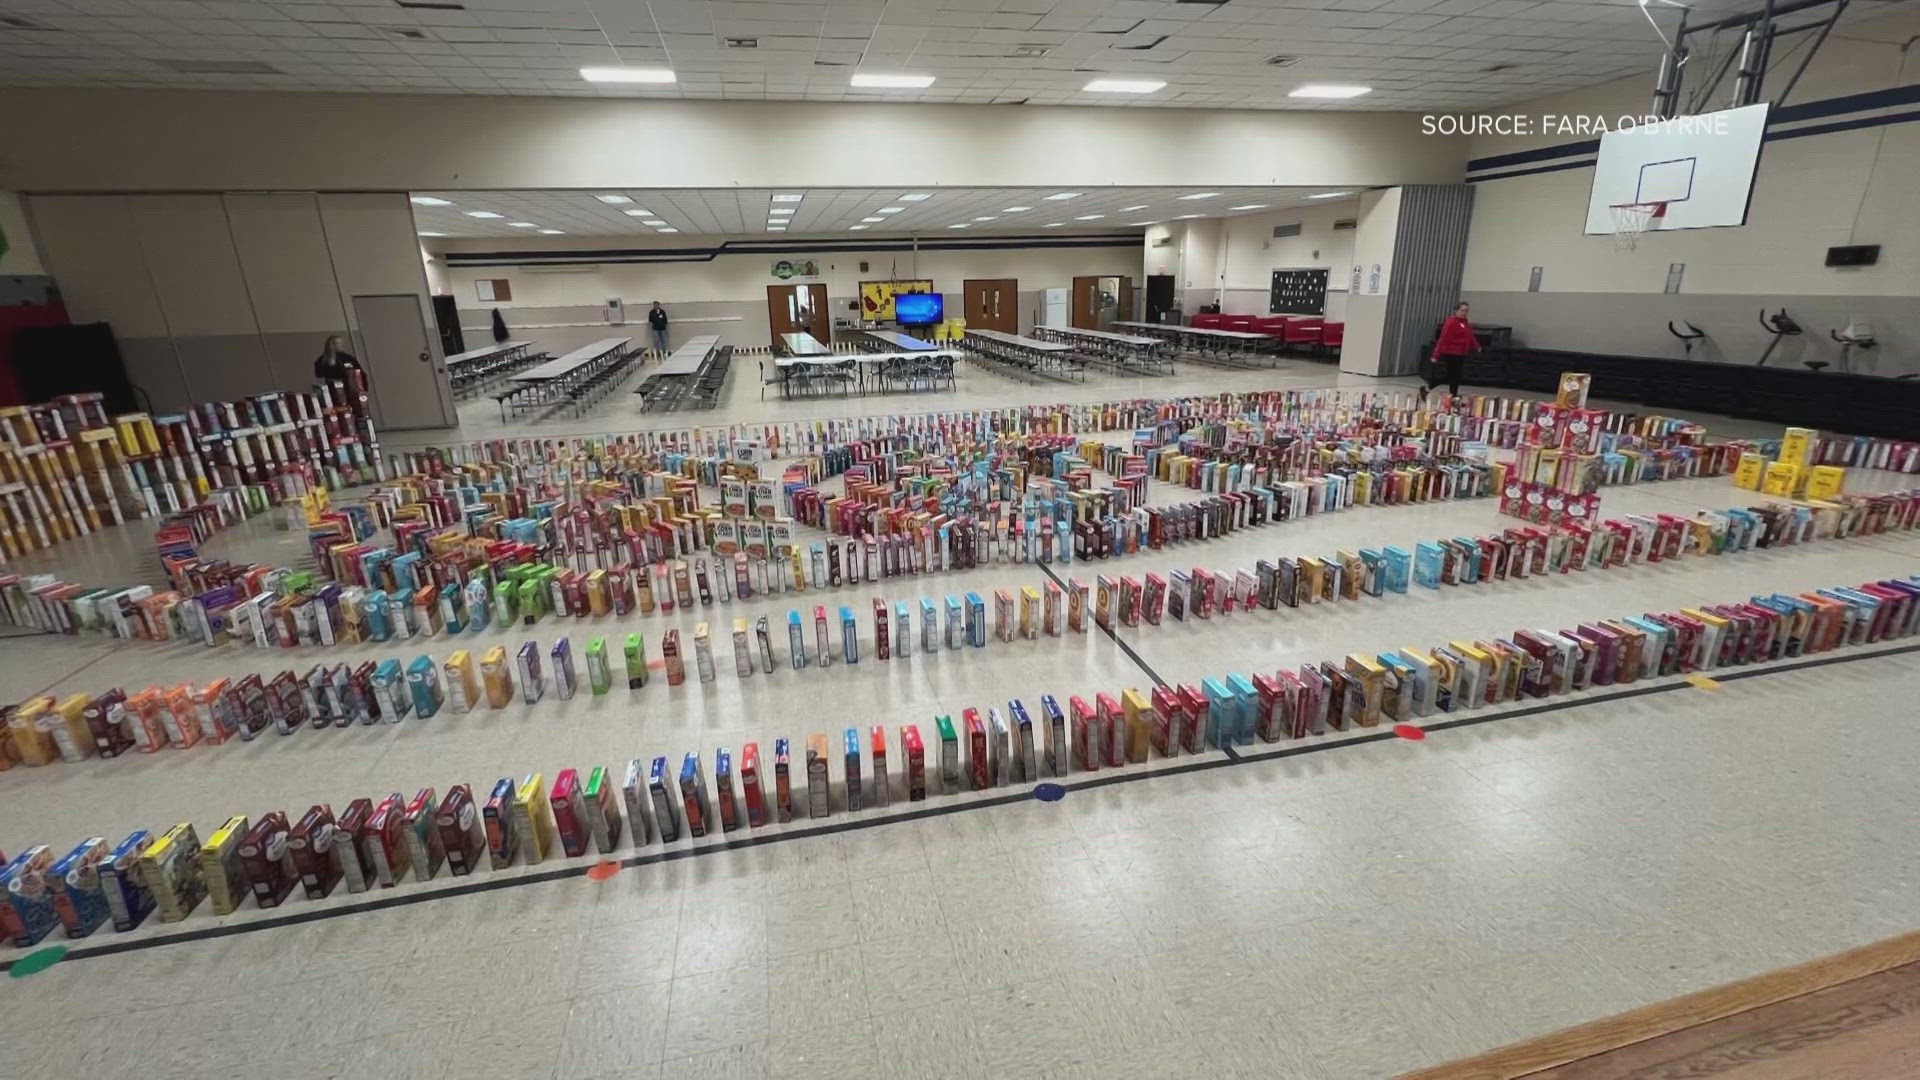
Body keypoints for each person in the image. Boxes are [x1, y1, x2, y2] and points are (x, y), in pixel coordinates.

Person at [1424, 301, 1480, 404]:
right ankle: (1447, 395)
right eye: (1462, 310)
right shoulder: (1451, 322)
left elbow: (1470, 336)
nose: (1464, 313)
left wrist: (1477, 346)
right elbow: (1443, 338)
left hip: (1461, 353)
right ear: (1456, 311)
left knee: (1454, 376)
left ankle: (1449, 396)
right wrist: (1435, 354)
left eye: (1466, 311)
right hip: (1451, 353)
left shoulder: (1464, 322)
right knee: (1452, 376)